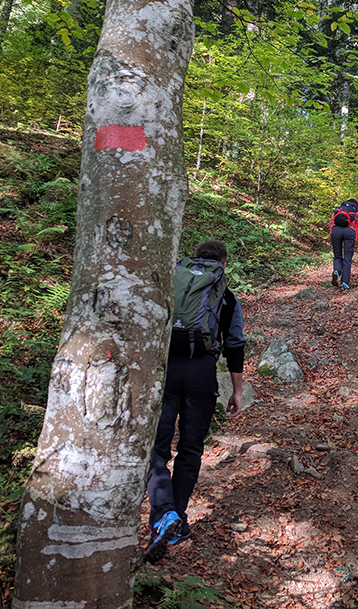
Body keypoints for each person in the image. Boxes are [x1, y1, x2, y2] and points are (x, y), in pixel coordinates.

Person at [145, 239, 246, 564]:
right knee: (190, 449)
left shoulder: (173, 285)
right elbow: (234, 344)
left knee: (155, 451)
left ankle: (163, 517)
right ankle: (175, 517)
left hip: (166, 368)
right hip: (202, 372)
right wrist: (237, 390)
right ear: (222, 265)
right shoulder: (227, 297)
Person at [329, 198, 358, 290]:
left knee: (337, 256)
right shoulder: (355, 212)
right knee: (347, 259)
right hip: (349, 232)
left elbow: (331, 223)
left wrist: (333, 234)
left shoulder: (338, 210)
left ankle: (337, 271)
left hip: (336, 231)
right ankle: (344, 283)